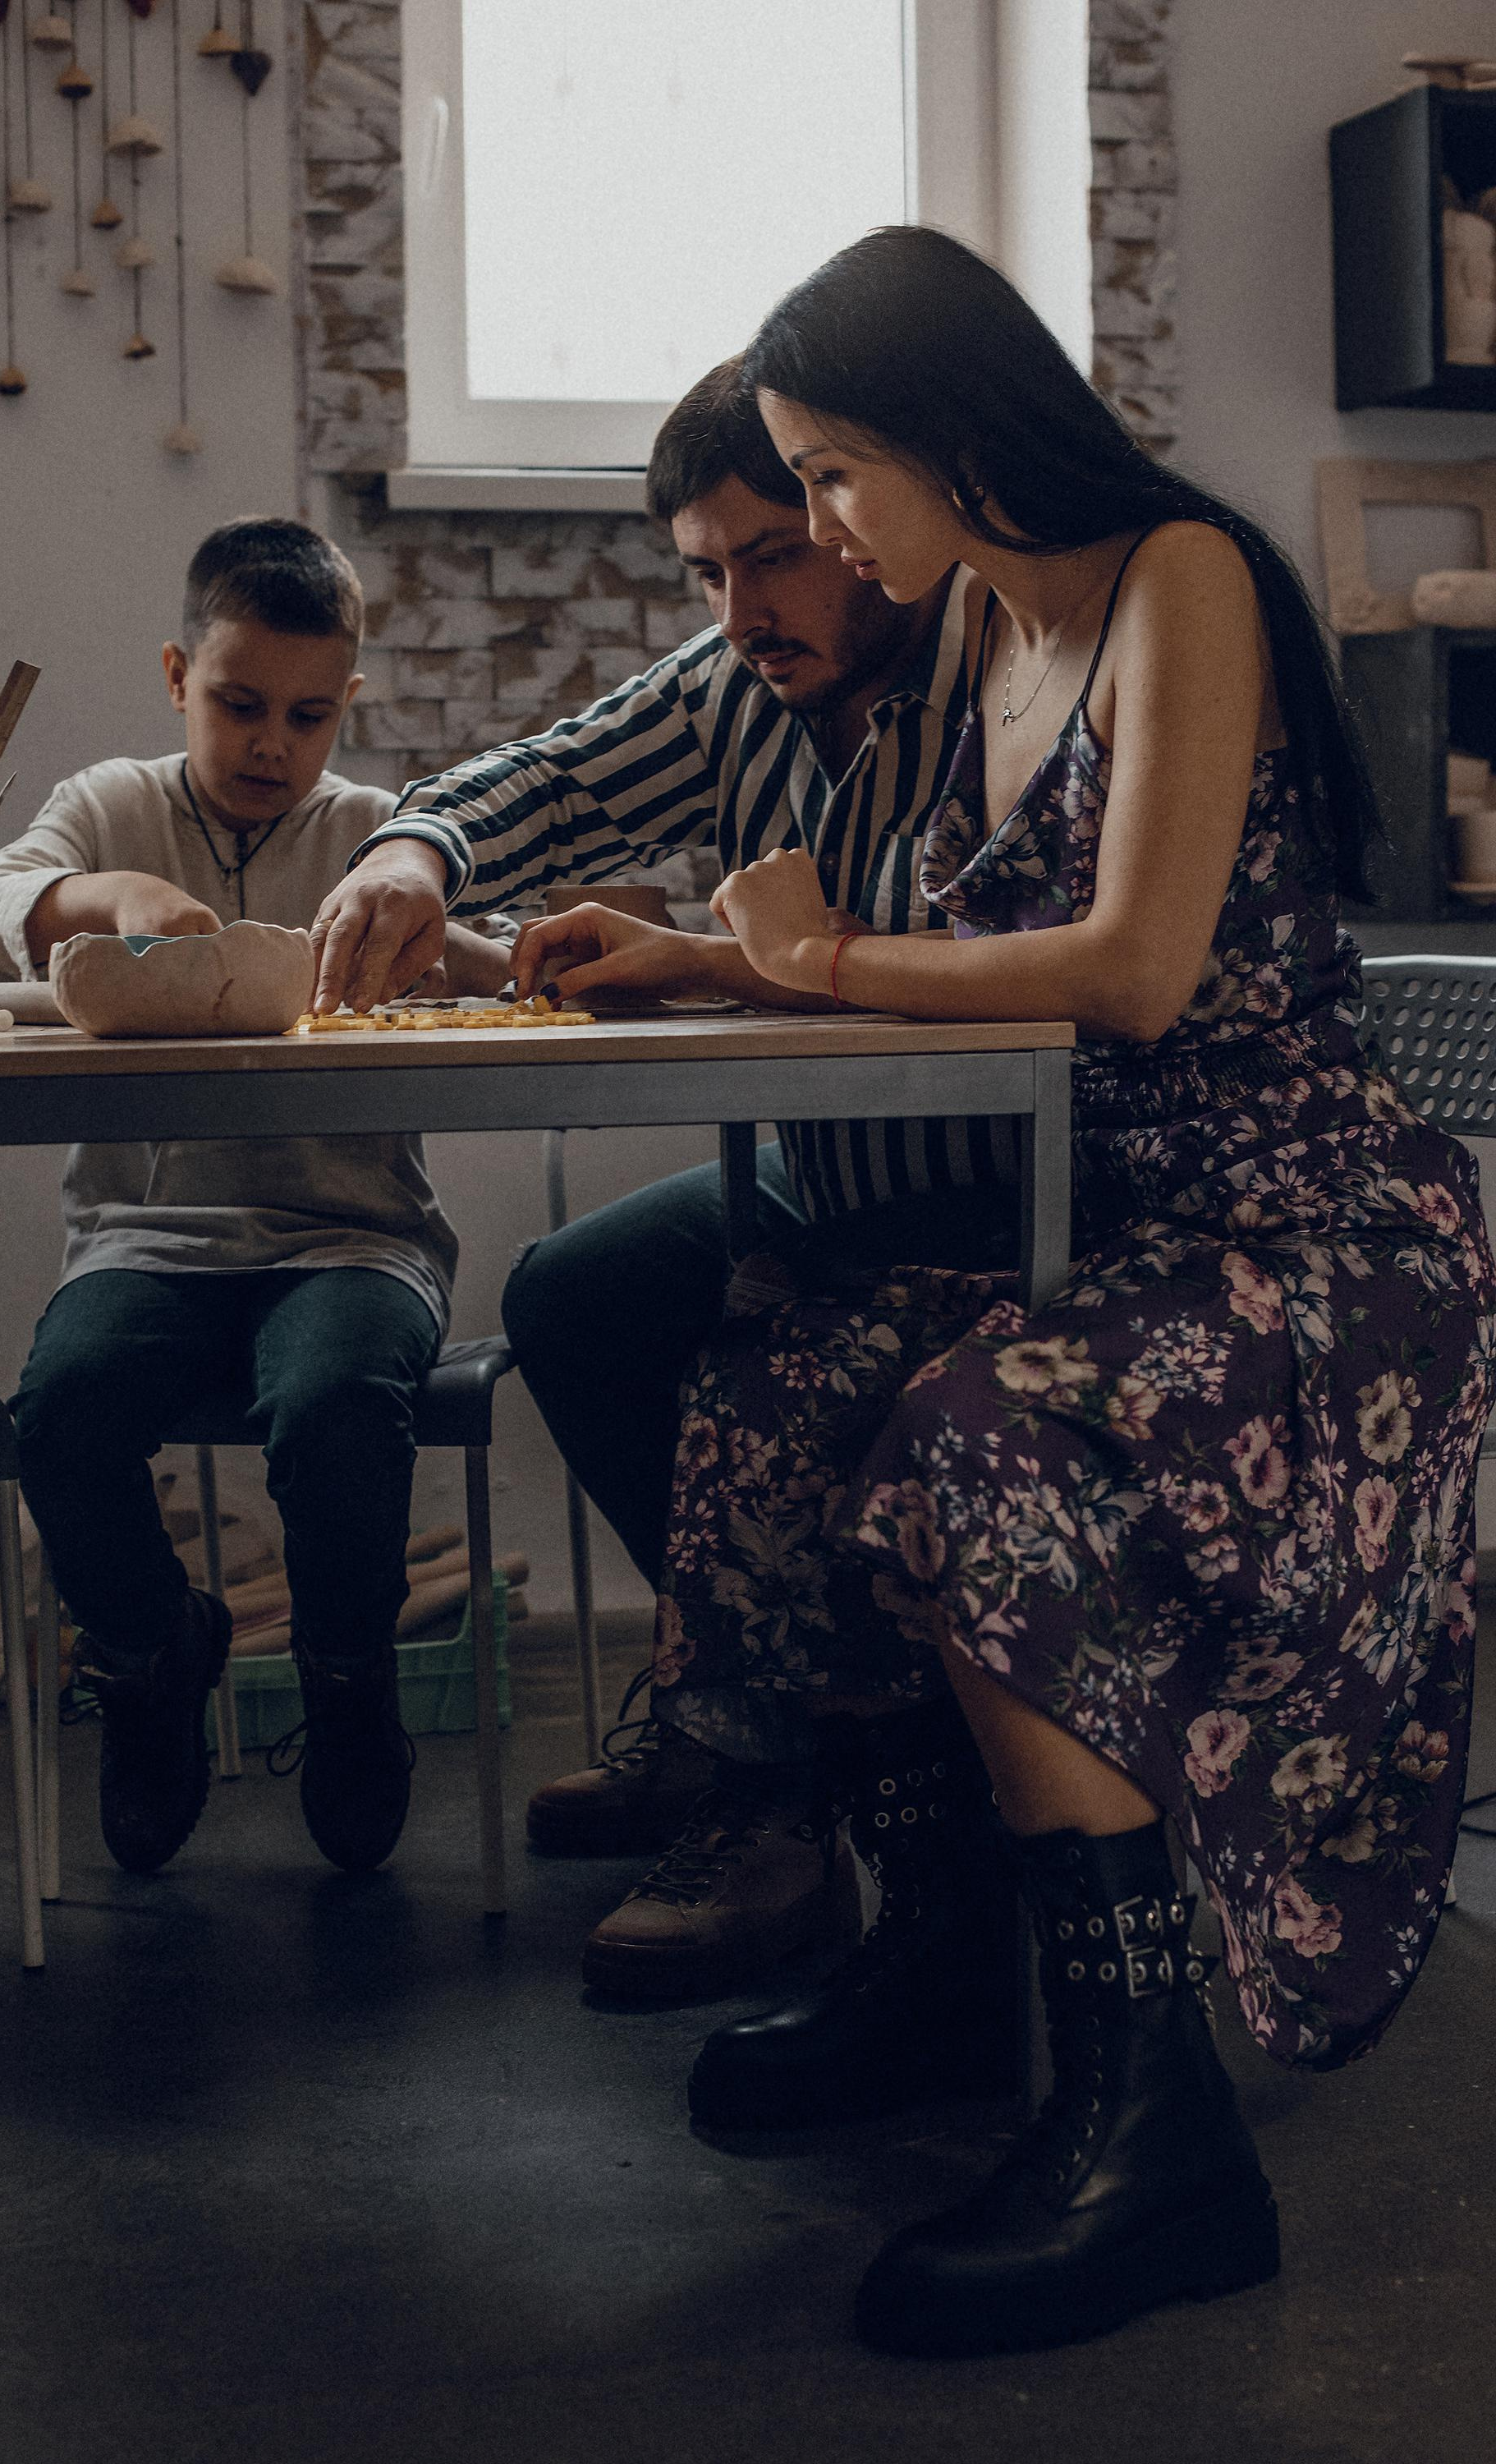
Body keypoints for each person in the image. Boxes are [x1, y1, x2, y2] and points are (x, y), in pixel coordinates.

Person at [512, 226, 1496, 2357]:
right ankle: (939, 1963)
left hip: (1308, 1237)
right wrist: (694, 950)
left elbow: (1133, 970)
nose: (830, 539)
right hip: (1129, 1217)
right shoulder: (976, 633)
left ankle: (1160, 2139)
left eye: (835, 480)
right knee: (796, 1364)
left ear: (948, 437)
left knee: (975, 1433)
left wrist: (815, 962)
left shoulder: (1179, 581)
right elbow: (912, 933)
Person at [314, 359, 1026, 2084]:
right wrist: (411, 856)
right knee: (576, 1295)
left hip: (1002, 1191)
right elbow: (535, 781)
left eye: (774, 553)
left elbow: (988, 955)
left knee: (771, 1365)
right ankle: (736, 1716)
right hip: (820, 1178)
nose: (741, 608)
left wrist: (706, 960)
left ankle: (773, 1787)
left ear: (871, 520)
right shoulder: (731, 686)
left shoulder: (1007, 680)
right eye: (703, 571)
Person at [0, 518, 509, 1880]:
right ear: (174, 675)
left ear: (349, 705)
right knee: (63, 1413)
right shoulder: (111, 800)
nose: (273, 743)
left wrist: (514, 953)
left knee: (333, 1411)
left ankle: (346, 1682)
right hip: (148, 1241)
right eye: (238, 705)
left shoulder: (376, 833)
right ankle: (154, 1660)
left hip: (353, 1239)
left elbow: (473, 956)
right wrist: (100, 894)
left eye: (309, 716)